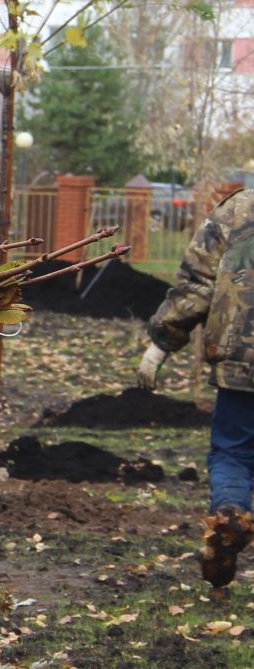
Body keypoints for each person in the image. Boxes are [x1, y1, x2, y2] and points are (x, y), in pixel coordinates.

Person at [139, 186, 254, 587]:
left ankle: (229, 515)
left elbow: (197, 283)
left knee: (234, 453)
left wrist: (162, 342)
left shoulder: (239, 209)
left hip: (243, 360)